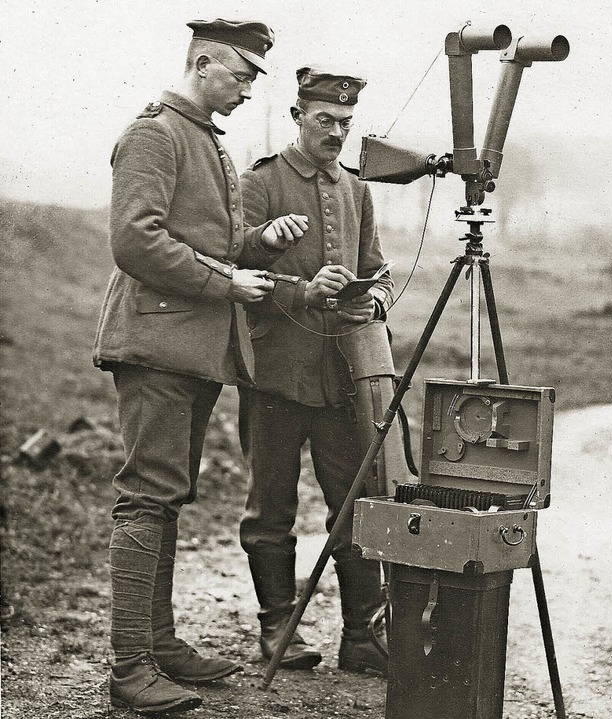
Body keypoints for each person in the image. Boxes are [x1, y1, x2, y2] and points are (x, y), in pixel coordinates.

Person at [92, 19, 309, 714]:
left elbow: (211, 241)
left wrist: (261, 242)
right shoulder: (156, 133)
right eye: (242, 75)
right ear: (204, 61)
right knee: (147, 497)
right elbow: (135, 239)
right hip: (156, 345)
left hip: (190, 351)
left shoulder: (206, 140)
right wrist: (226, 284)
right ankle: (131, 667)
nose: (248, 90)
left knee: (168, 494)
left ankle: (158, 643)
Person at [238, 66, 394, 675]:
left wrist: (372, 297)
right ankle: (279, 629)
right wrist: (303, 292)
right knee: (270, 508)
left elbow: (376, 269)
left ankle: (361, 634)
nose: (335, 132)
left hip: (341, 381)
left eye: (345, 123)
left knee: (354, 503)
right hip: (274, 375)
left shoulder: (357, 190)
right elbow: (234, 266)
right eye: (324, 120)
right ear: (298, 117)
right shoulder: (262, 182)